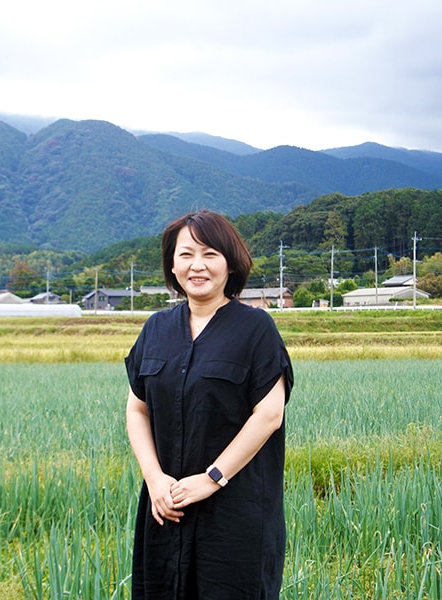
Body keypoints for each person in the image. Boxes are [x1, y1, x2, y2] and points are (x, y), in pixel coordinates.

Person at [125, 209, 294, 599]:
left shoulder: (256, 329)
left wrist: (211, 478)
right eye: (186, 255)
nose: (196, 266)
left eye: (209, 254)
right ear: (172, 264)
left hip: (235, 512)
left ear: (230, 264)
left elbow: (269, 415)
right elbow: (137, 408)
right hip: (166, 506)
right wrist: (154, 479)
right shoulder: (156, 329)